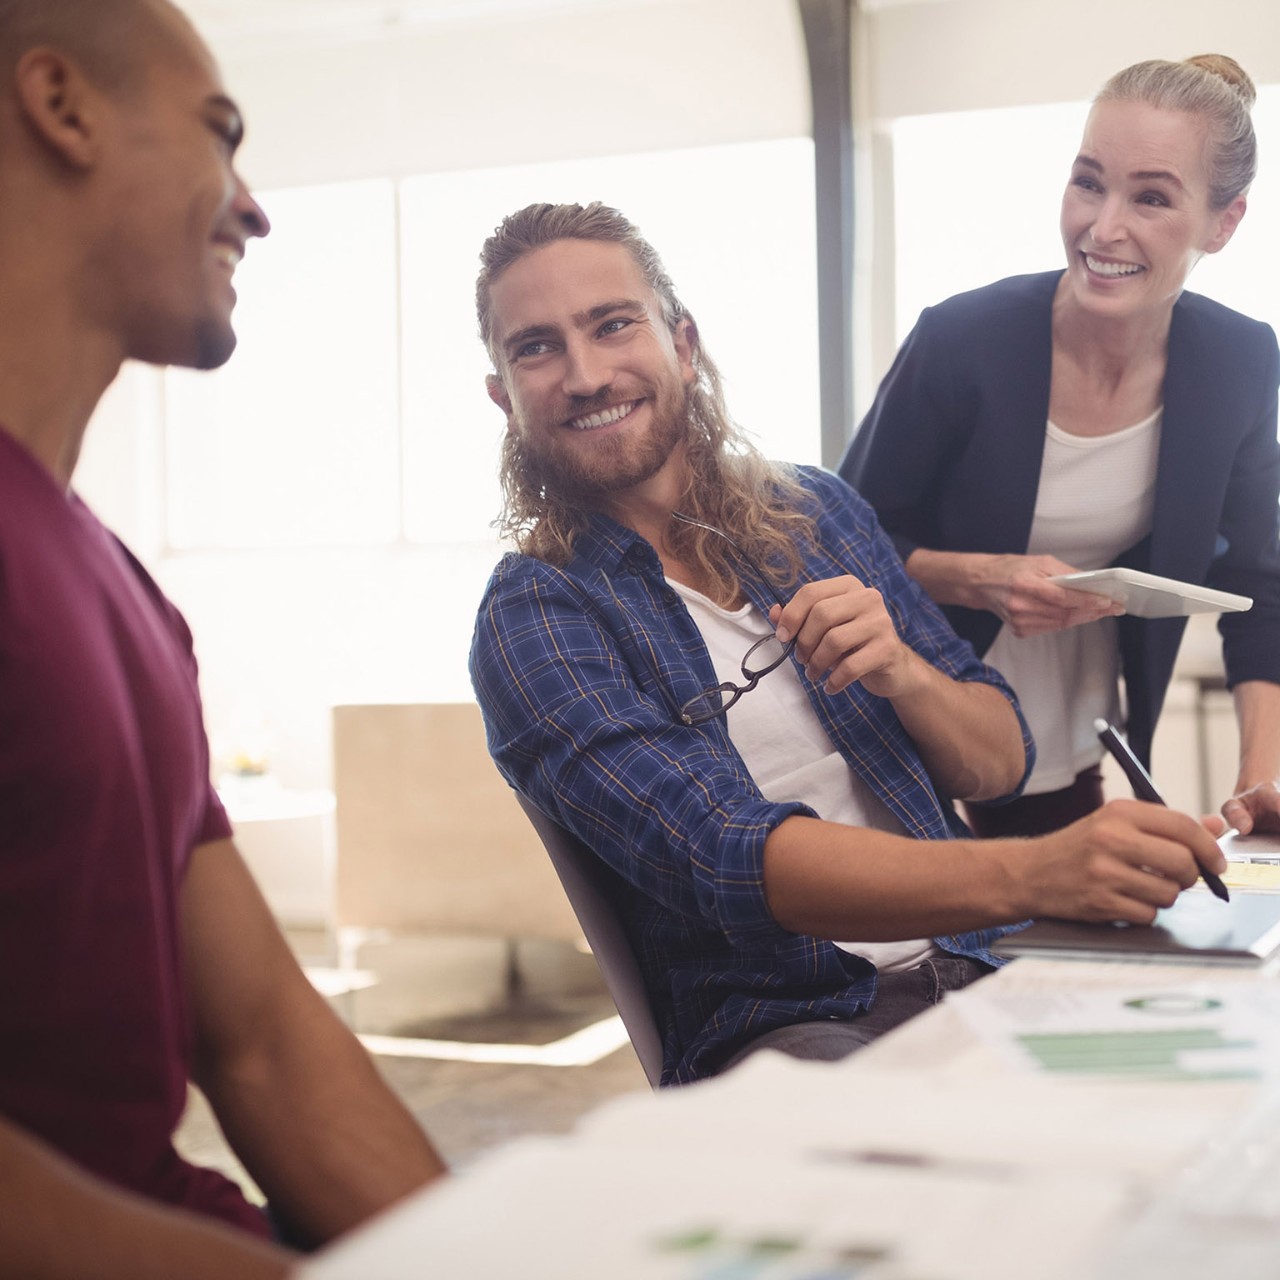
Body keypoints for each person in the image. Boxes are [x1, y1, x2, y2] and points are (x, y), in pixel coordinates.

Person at [468, 200, 1227, 1087]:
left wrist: (905, 672)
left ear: (682, 343)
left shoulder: (814, 512)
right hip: (799, 1021)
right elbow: (728, 858)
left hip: (989, 966)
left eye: (612, 325)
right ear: (504, 398)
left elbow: (1001, 763)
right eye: (537, 348)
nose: (587, 374)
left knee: (1216, 1079)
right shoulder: (536, 616)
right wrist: (1037, 873)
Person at [0, 2, 445, 1276]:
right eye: (220, 134)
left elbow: (262, 1040)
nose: (255, 210)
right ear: (63, 107)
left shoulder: (123, 590)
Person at [840, 54, 1280, 839]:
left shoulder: (1239, 361)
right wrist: (980, 578)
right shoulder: (962, 340)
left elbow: (1257, 582)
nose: (1103, 228)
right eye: (1088, 183)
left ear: (1224, 222)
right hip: (902, 703)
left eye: (1151, 197)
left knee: (1074, 908)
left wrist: (1261, 780)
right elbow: (836, 545)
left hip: (1060, 721)